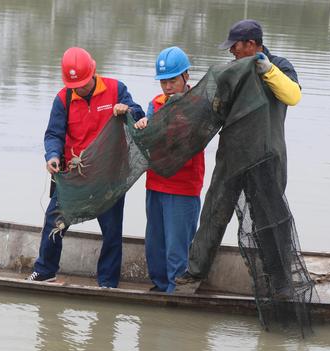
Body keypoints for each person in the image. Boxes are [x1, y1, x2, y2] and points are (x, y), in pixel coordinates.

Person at [175, 19, 302, 293]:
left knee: (270, 219)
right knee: (214, 212)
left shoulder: (280, 66)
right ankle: (195, 272)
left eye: (235, 46)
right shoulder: (231, 72)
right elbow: (210, 109)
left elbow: (293, 96)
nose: (231, 51)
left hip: (267, 158)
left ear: (252, 45)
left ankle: (279, 281)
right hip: (232, 155)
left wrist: (267, 70)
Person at [27, 47, 145, 287]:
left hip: (109, 177)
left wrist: (127, 110)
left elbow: (139, 115)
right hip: (74, 176)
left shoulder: (116, 89)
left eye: (82, 83)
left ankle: (108, 282)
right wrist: (52, 156)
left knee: (112, 232)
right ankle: (46, 270)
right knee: (54, 222)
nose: (79, 88)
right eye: (75, 85)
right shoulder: (64, 99)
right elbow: (54, 134)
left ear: (93, 72)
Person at [134, 46, 204, 293]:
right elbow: (150, 134)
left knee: (177, 248)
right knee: (155, 245)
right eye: (163, 81)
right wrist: (144, 123)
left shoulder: (198, 103)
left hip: (183, 187)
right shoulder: (156, 103)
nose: (167, 87)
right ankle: (160, 287)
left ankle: (177, 293)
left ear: (186, 76)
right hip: (156, 183)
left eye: (172, 80)